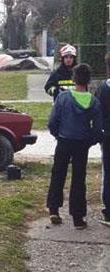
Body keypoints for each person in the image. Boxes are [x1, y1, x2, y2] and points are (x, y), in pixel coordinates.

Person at [47, 63, 103, 229]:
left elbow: (52, 121)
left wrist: (58, 135)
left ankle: (54, 209)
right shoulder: (94, 102)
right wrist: (89, 141)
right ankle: (78, 218)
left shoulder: (63, 98)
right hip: (81, 143)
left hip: (64, 140)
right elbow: (97, 129)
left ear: (73, 79)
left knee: (58, 174)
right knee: (79, 179)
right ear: (88, 81)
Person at [95, 52, 110, 227]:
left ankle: (109, 210)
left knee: (108, 171)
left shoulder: (102, 89)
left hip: (107, 135)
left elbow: (97, 113)